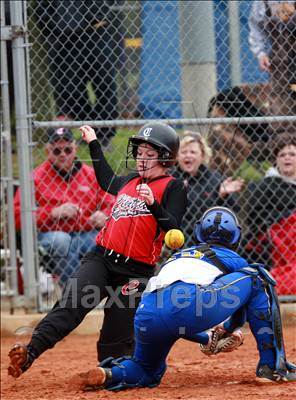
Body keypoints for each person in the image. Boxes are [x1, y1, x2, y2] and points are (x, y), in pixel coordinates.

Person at [7, 122, 187, 376]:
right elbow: (105, 179)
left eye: (150, 154)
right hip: (101, 260)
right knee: (72, 304)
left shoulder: (173, 187)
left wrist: (153, 204)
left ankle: (114, 373)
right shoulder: (129, 181)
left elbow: (173, 226)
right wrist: (93, 142)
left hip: (135, 272)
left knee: (114, 340)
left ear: (166, 158)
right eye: (140, 153)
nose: (142, 159)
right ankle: (30, 352)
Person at [62, 206, 295, 391]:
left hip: (147, 312)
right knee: (258, 278)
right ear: (236, 236)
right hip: (191, 305)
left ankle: (111, 374)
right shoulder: (231, 257)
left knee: (147, 370)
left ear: (198, 232)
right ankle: (271, 367)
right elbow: (247, 294)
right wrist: (229, 328)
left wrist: (206, 338)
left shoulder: (177, 257)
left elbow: (173, 320)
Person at [14, 127, 114, 285]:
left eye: (67, 149)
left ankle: (98, 288)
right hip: (51, 233)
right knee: (62, 242)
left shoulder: (90, 174)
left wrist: (105, 216)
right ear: (47, 151)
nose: (62, 155)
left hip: (85, 231)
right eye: (57, 151)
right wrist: (52, 212)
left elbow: (113, 203)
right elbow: (17, 216)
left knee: (101, 240)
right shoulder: (36, 177)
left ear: (75, 149)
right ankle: (72, 293)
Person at [35, 1, 125, 145]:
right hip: (63, 37)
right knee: (68, 90)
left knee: (104, 84)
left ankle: (103, 135)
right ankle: (91, 129)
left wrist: (100, 14)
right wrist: (50, 23)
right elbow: (42, 8)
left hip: (97, 32)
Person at [243, 133, 296, 295]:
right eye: (282, 155)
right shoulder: (265, 186)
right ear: (276, 159)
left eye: (292, 154)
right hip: (276, 239)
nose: (287, 158)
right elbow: (255, 219)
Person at [173, 132, 244, 246]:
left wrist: (222, 196)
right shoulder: (171, 179)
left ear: (202, 156)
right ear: (177, 156)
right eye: (184, 152)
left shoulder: (215, 179)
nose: (188, 156)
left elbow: (232, 214)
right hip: (179, 240)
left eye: (193, 152)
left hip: (210, 240)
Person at [248, 1, 296, 128]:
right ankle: (284, 145)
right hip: (279, 63)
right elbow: (255, 27)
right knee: (280, 106)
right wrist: (261, 53)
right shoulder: (262, 2)